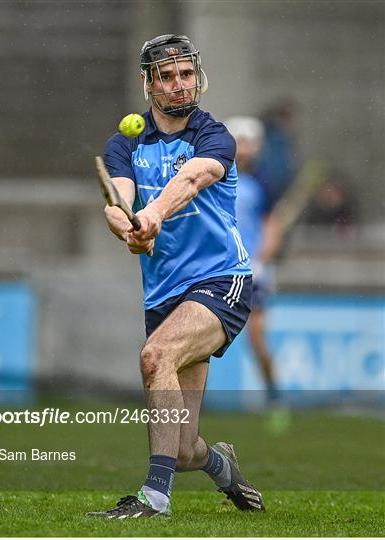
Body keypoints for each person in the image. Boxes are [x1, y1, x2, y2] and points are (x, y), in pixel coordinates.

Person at [86, 34, 264, 519]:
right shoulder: (126, 142)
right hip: (164, 294)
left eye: (186, 74)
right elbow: (117, 203)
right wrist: (130, 228)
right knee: (184, 449)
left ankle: (154, 499)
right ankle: (221, 464)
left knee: (155, 355)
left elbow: (190, 181)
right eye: (167, 76)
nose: (180, 85)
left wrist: (155, 215)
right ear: (148, 84)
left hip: (220, 281)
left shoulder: (214, 135)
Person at [225, 116, 283, 404]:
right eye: (240, 142)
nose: (245, 148)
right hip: (220, 268)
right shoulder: (215, 177)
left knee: (257, 339)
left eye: (250, 142)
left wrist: (261, 260)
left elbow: (272, 228)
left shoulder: (263, 183)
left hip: (254, 270)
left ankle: (273, 394)